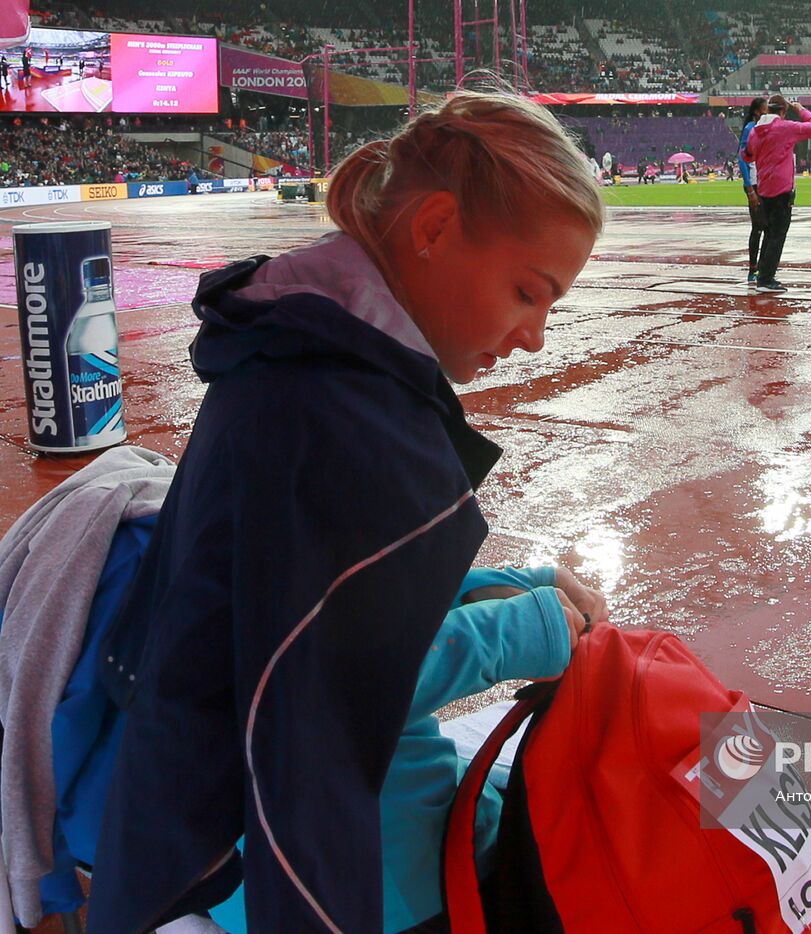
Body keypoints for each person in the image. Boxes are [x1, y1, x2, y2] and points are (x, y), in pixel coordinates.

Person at [88, 87, 605, 932]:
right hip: (354, 872)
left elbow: (320, 598)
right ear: (433, 229)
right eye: (527, 291)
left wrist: (503, 584)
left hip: (212, 826)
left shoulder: (295, 347)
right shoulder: (347, 412)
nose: (534, 335)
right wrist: (527, 631)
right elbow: (336, 679)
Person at [743, 93, 811, 293]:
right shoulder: (786, 128)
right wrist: (801, 109)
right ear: (784, 111)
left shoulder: (755, 131)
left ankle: (763, 273)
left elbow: (747, 155)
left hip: (764, 187)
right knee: (778, 234)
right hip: (782, 188)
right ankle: (766, 279)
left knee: (768, 233)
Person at [739, 96, 769, 286]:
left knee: (767, 228)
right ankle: (753, 270)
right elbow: (742, 159)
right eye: (766, 109)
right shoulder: (751, 128)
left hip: (765, 183)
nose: (769, 112)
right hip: (755, 184)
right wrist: (749, 187)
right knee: (758, 227)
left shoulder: (762, 129)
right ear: (758, 111)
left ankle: (764, 269)